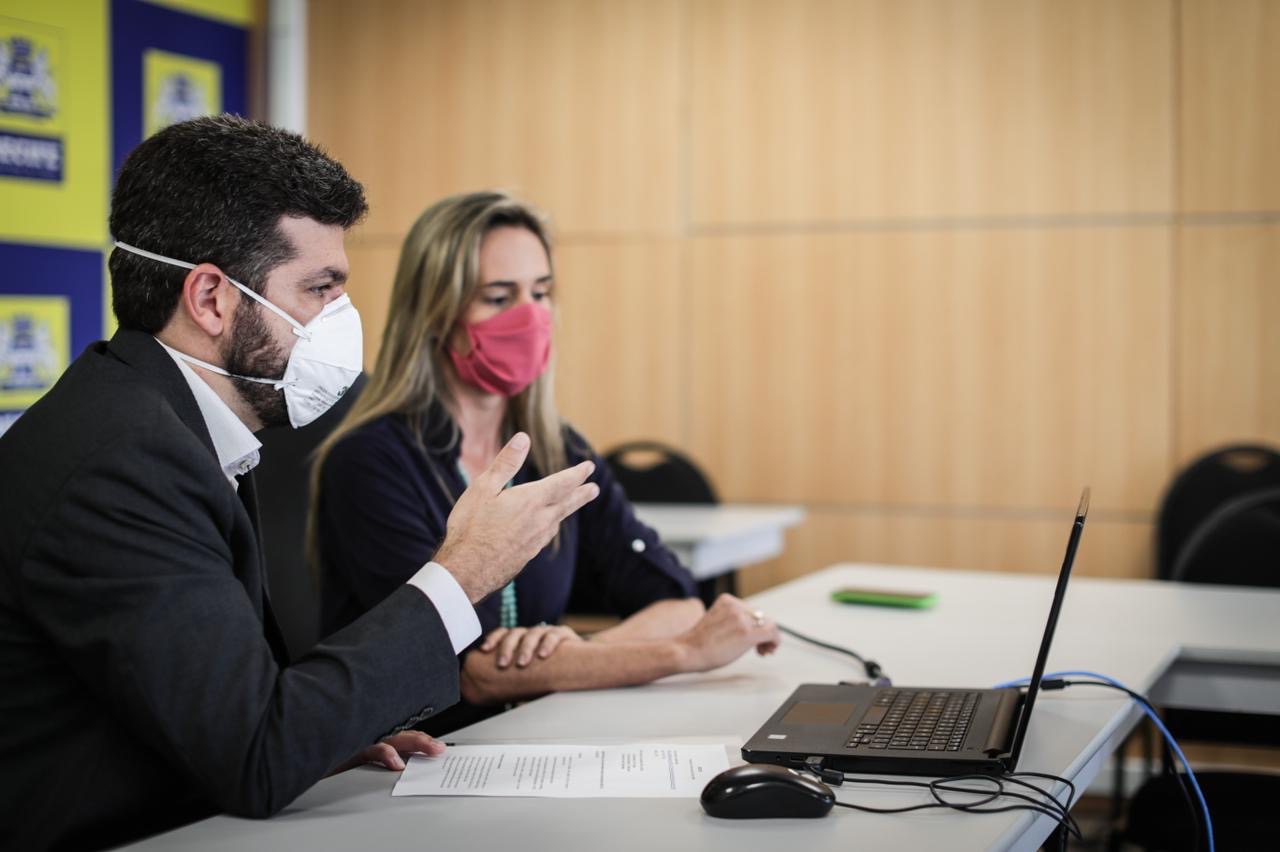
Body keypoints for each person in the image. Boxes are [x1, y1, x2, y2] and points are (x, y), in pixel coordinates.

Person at [0, 117, 598, 851]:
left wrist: (327, 735)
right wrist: (463, 569)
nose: (338, 321)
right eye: (319, 289)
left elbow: (219, 710)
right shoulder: (124, 462)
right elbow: (255, 754)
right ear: (212, 299)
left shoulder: (164, 423)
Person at [311, 191, 780, 734]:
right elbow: (470, 670)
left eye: (540, 292)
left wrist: (574, 650)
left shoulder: (558, 450)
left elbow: (677, 600)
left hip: (529, 741)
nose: (529, 316)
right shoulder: (370, 461)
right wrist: (682, 654)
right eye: (497, 296)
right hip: (409, 760)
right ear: (434, 312)